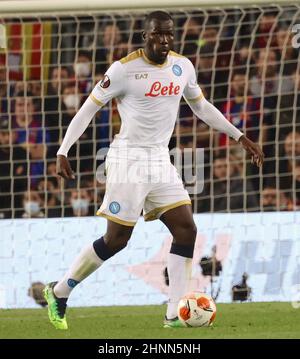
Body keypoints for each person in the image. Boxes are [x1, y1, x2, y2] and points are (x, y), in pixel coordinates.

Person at [43, 11, 264, 330]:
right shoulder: (123, 70)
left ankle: (175, 311)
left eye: (169, 34)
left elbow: (201, 107)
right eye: (158, 34)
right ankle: (60, 291)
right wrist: (63, 150)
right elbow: (88, 108)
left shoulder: (182, 66)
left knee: (186, 229)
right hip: (128, 160)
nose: (165, 40)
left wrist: (240, 136)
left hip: (160, 159)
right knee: (117, 239)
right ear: (144, 36)